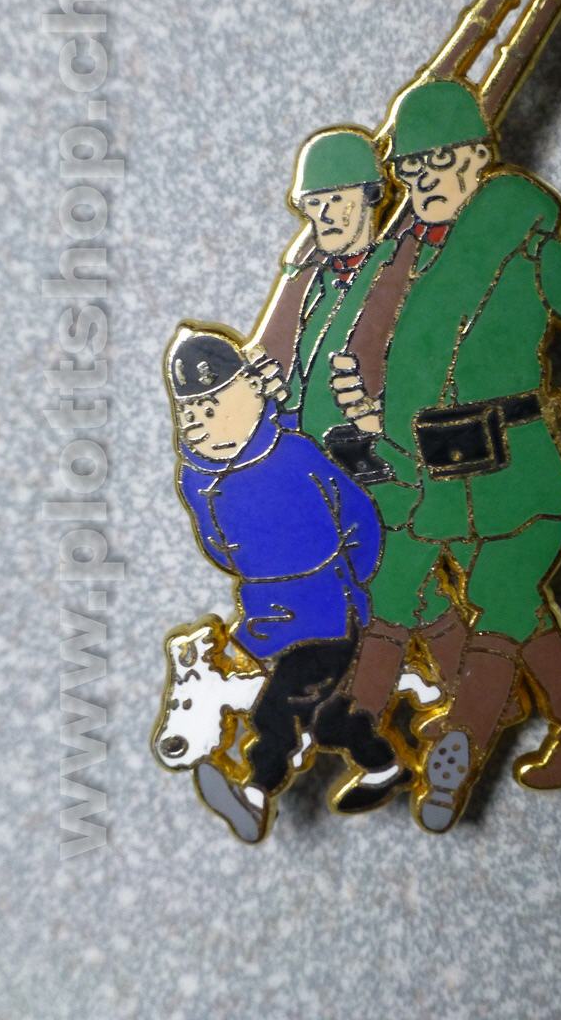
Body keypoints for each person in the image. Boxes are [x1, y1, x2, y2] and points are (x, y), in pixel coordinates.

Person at [326, 78, 561, 832]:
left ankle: (457, 751)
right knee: (497, 607)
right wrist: (369, 416)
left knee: (500, 601)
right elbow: (413, 372)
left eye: (440, 162)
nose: (424, 180)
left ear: (478, 157)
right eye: (411, 168)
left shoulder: (532, 250)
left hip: (520, 473)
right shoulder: (411, 264)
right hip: (434, 479)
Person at [165, 323, 409, 842]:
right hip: (262, 615)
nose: (199, 424)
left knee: (278, 705)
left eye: (211, 407)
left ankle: (256, 788)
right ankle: (383, 761)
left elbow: (359, 518)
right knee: (321, 716)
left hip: (325, 612)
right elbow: (215, 544)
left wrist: (349, 585)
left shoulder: (296, 452)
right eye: (189, 413)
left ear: (249, 393)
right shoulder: (196, 478)